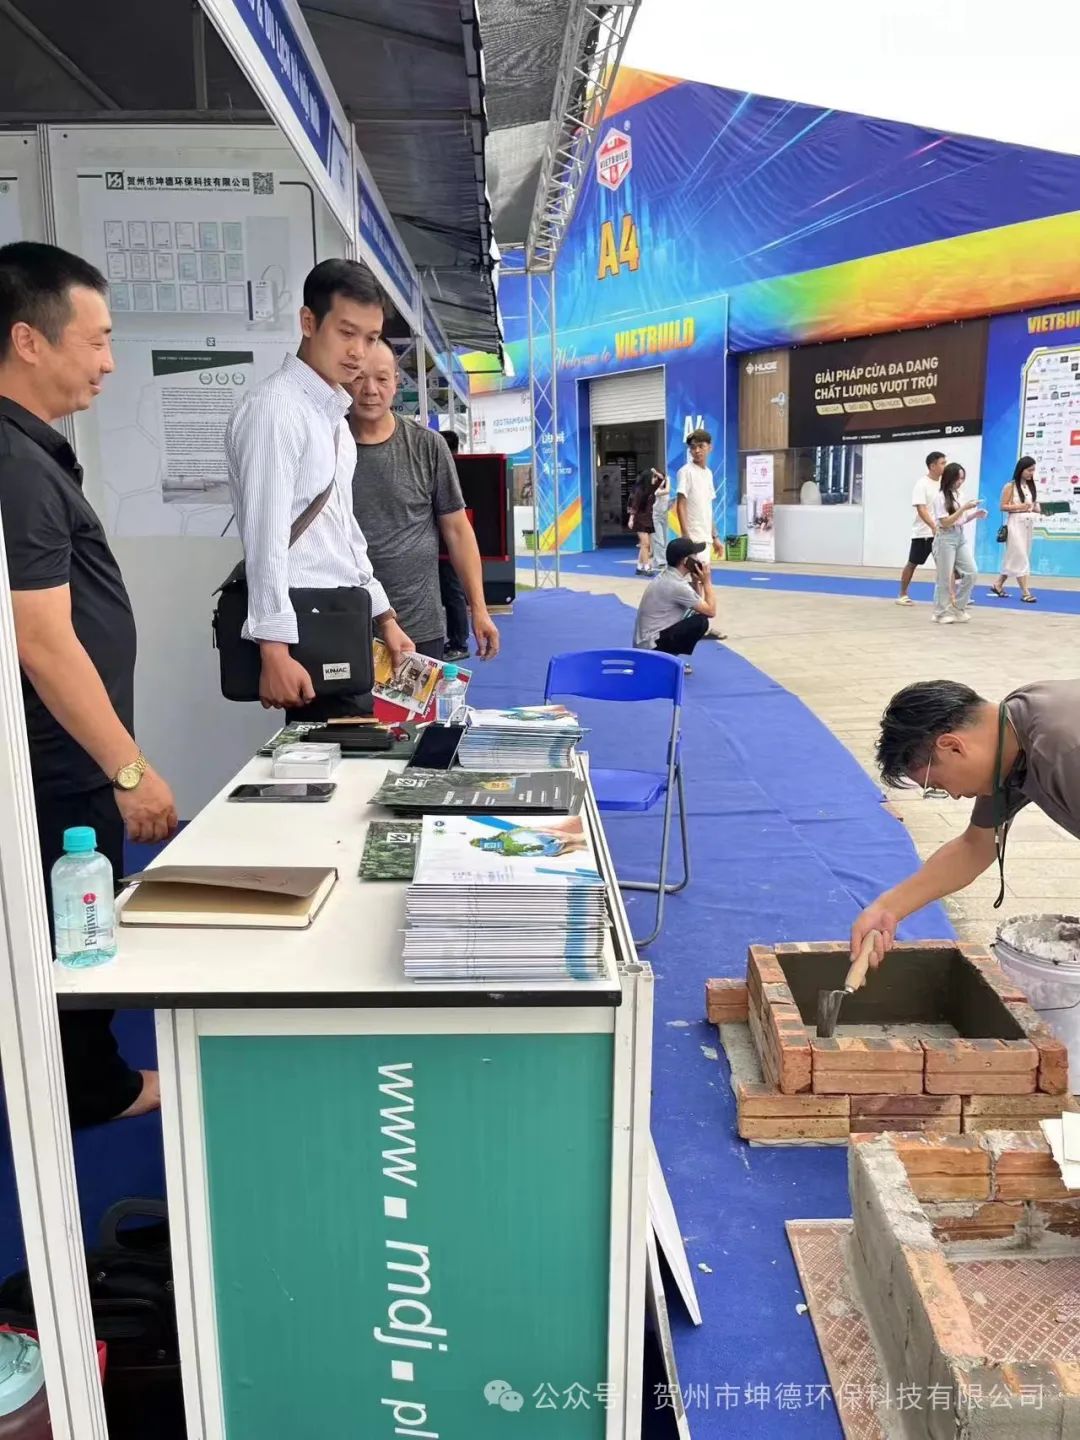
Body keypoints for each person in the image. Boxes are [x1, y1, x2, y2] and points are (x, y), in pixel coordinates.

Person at [0, 242, 179, 1126]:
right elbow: (41, 638)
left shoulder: (31, 453)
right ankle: (88, 1092)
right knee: (73, 932)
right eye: (98, 339)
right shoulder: (15, 464)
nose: (109, 362)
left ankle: (80, 1080)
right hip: (57, 764)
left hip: (62, 758)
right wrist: (128, 768)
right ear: (30, 341)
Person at [225, 259, 414, 721]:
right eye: (346, 333)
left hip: (341, 617)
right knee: (324, 753)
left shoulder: (333, 418)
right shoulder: (275, 409)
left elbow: (343, 532)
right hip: (305, 626)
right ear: (309, 322)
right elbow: (266, 537)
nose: (358, 352)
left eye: (370, 338)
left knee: (350, 753)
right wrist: (273, 649)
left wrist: (384, 616)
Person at [850, 679, 1080, 967]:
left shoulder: (1063, 751)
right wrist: (888, 908)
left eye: (937, 785)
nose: (955, 795)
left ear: (952, 746)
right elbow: (975, 846)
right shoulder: (1007, 737)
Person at [349, 339, 499, 662]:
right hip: (345, 624)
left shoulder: (427, 446)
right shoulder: (327, 445)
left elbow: (457, 530)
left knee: (418, 701)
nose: (370, 390)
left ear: (396, 382)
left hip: (419, 627)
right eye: (359, 377)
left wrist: (479, 608)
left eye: (382, 378)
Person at [632, 537, 717, 673]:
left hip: (646, 642)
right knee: (701, 622)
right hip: (651, 646)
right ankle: (665, 660)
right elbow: (711, 611)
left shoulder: (669, 576)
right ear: (686, 561)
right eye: (695, 555)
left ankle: (666, 658)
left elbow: (696, 604)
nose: (698, 559)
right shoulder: (677, 585)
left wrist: (696, 582)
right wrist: (707, 582)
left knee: (695, 615)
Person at [675, 430, 724, 639]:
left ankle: (698, 625)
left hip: (705, 537)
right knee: (698, 580)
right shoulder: (685, 472)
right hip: (693, 537)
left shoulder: (708, 474)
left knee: (701, 581)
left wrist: (715, 537)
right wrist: (686, 535)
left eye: (701, 446)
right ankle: (698, 626)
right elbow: (680, 504)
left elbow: (708, 508)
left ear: (709, 447)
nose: (696, 451)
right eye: (693, 447)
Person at [930, 462, 985, 625]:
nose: (960, 482)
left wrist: (974, 514)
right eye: (958, 479)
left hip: (959, 536)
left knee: (971, 572)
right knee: (945, 577)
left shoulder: (958, 494)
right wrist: (963, 508)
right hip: (945, 538)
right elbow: (945, 522)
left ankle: (958, 608)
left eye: (962, 479)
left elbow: (960, 520)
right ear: (950, 478)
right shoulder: (940, 497)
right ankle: (941, 612)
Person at [437, 428, 470, 659]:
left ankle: (459, 642)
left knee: (453, 592)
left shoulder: (458, 473)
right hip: (438, 547)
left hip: (450, 548)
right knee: (449, 593)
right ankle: (455, 640)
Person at [896, 451, 946, 605]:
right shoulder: (922, 484)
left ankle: (951, 596)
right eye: (942, 463)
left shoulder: (943, 484)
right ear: (932, 466)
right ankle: (902, 594)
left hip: (942, 532)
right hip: (923, 533)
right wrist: (933, 526)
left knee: (946, 565)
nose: (945, 466)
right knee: (913, 563)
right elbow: (921, 509)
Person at [990, 456, 1040, 603]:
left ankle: (998, 584)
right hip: (1015, 524)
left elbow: (1033, 506)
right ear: (1021, 469)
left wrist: (1041, 509)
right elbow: (1003, 506)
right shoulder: (1010, 486)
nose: (1031, 473)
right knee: (1020, 556)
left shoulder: (1030, 486)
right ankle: (1025, 592)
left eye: (1033, 470)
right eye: (1029, 470)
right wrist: (1020, 507)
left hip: (1028, 524)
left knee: (1015, 557)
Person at [627, 472, 657, 574]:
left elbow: (662, 480)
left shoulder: (652, 489)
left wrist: (656, 472)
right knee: (646, 544)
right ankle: (647, 566)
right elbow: (635, 505)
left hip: (648, 519)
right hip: (639, 519)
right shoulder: (639, 490)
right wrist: (631, 519)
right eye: (653, 477)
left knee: (645, 545)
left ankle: (639, 567)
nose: (655, 479)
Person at [651, 468, 671, 566]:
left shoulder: (663, 491)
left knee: (665, 540)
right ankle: (660, 561)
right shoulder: (657, 491)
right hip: (657, 517)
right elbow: (667, 490)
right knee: (659, 539)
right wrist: (667, 480)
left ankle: (660, 560)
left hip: (664, 515)